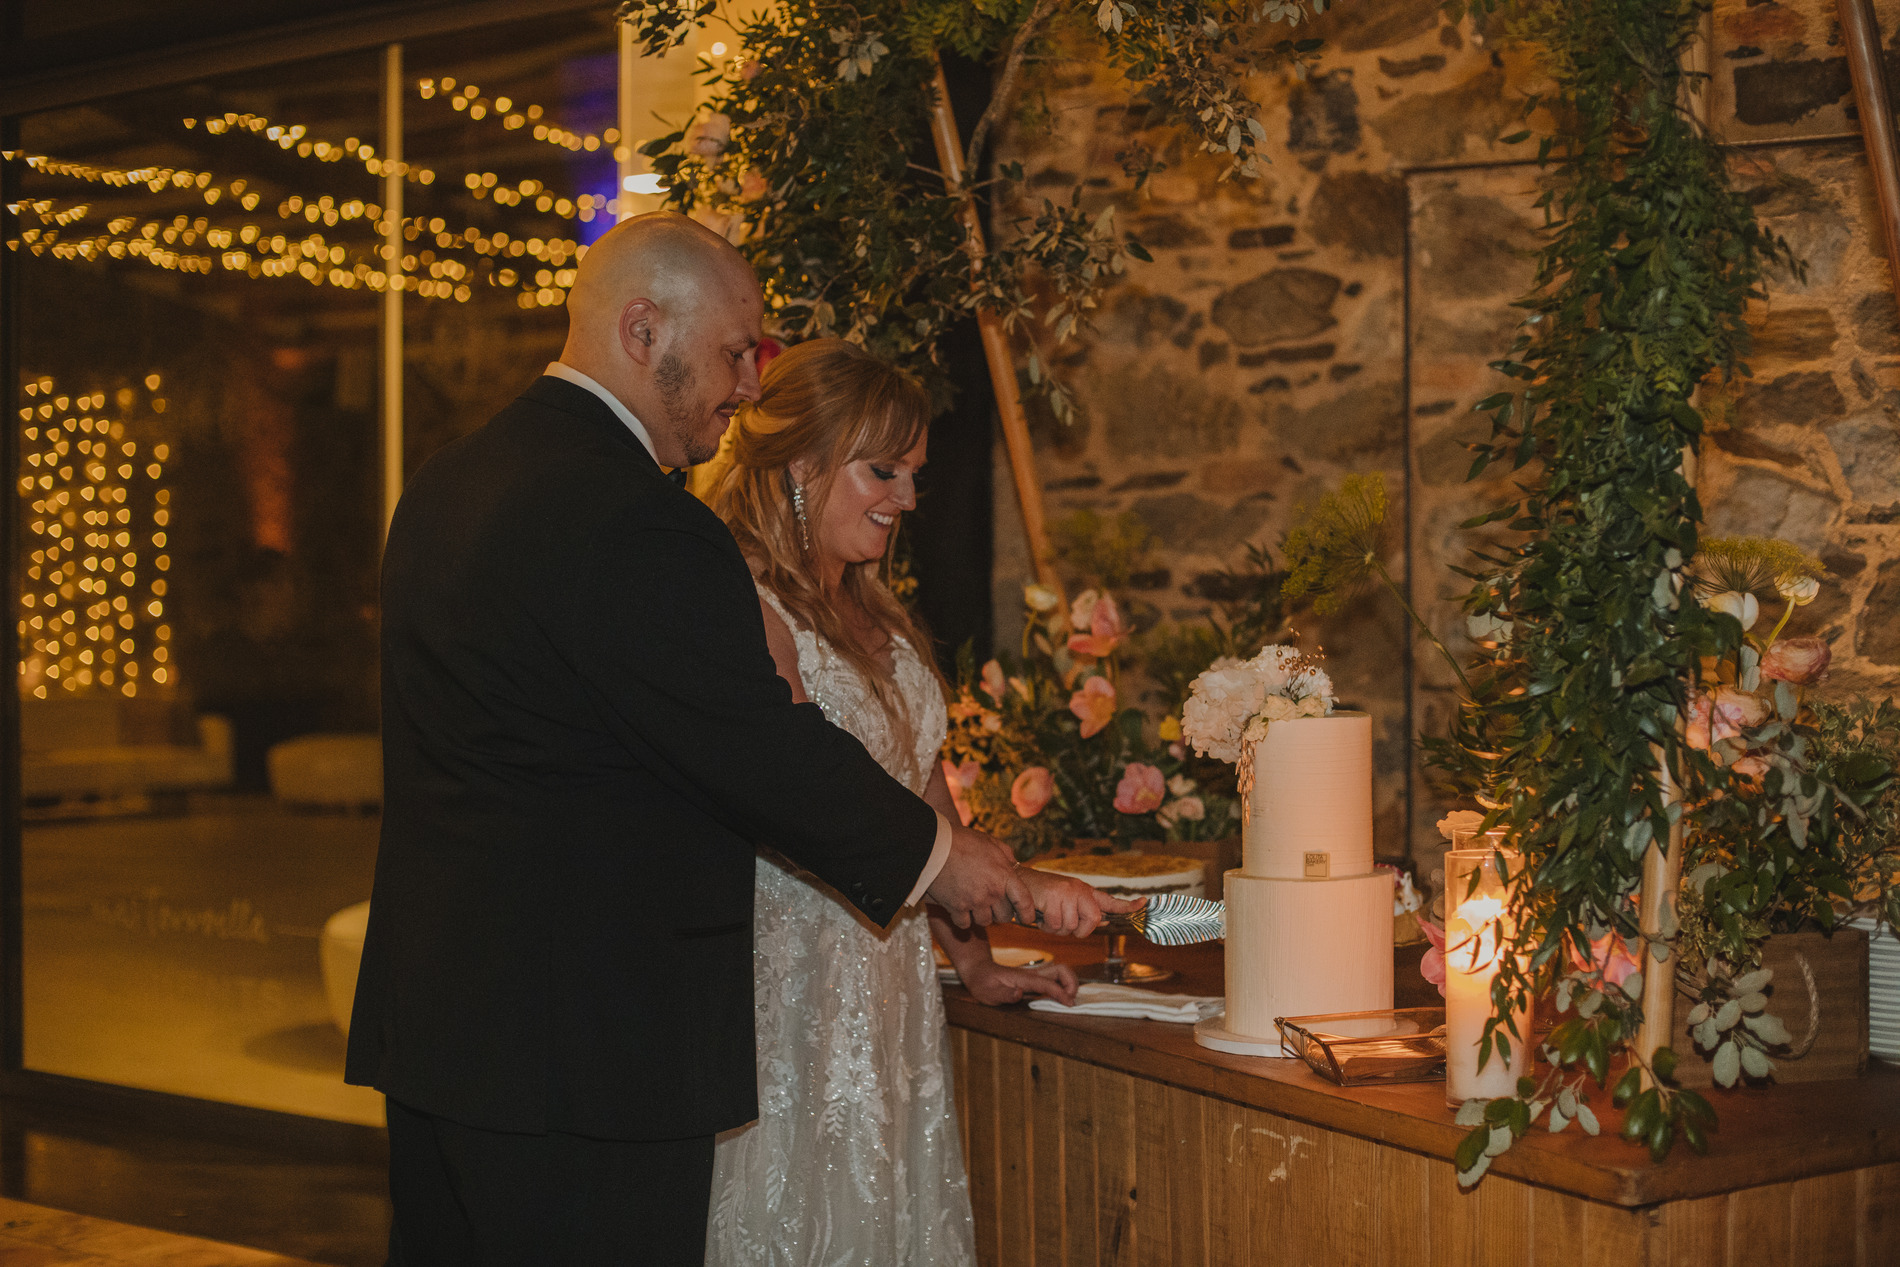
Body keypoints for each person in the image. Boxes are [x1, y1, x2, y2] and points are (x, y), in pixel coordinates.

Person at [345, 212, 1126, 1265]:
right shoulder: (634, 517)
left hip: (445, 1034)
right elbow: (756, 752)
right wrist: (950, 864)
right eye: (730, 351)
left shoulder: (448, 483)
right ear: (641, 331)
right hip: (585, 1059)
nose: (748, 383)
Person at [701, 339, 1075, 1265]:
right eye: (883, 471)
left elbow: (926, 810)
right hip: (790, 991)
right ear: (801, 464)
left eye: (913, 475)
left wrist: (977, 966)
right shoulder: (738, 605)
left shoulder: (882, 613)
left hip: (893, 983)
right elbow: (786, 796)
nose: (906, 499)